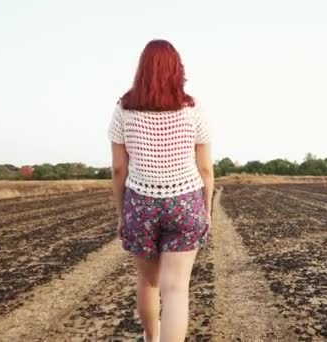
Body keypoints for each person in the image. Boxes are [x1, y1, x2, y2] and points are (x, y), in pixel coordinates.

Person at [107, 39, 213, 342]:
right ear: (177, 69)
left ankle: (150, 339)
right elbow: (205, 169)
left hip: (140, 204)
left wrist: (122, 213)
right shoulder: (192, 108)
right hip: (185, 201)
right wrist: (205, 210)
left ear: (142, 69)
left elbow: (118, 169)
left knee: (148, 281)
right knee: (176, 289)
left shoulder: (124, 108)